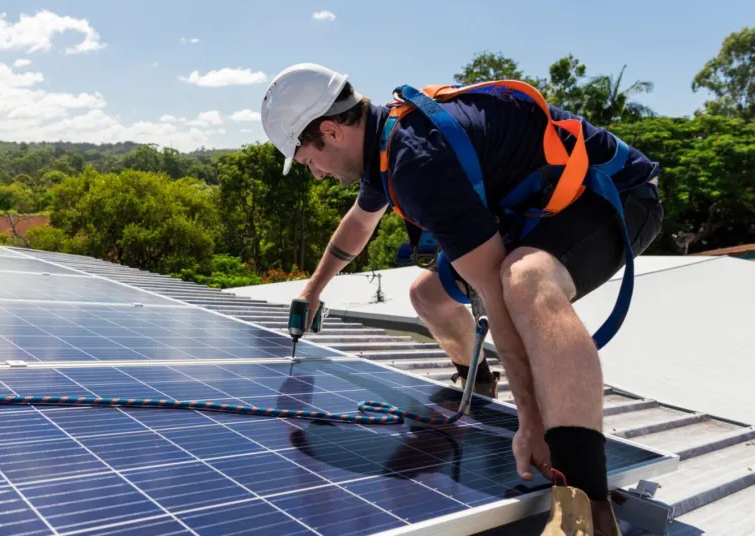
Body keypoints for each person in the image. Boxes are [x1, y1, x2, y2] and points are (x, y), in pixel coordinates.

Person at [260, 63, 663, 536]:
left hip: (617, 197)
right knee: (428, 295)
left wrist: (531, 419)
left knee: (524, 280)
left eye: (310, 160)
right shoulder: (383, 147)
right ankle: (480, 386)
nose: (317, 175)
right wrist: (313, 289)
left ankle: (586, 510)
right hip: (540, 212)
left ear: (330, 131)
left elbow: (493, 291)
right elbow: (359, 224)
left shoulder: (417, 160)